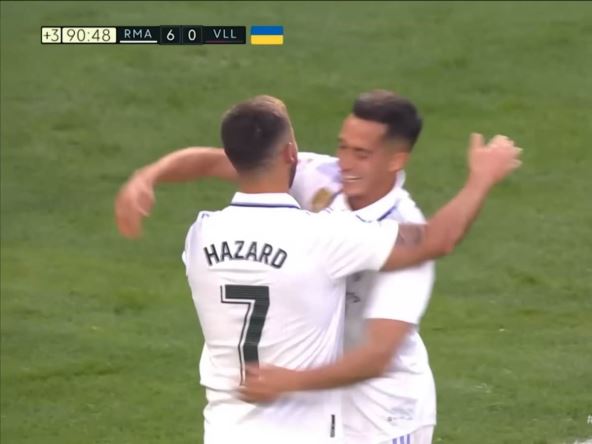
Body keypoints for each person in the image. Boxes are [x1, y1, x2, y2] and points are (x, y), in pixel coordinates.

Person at [116, 94, 521, 444]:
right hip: (316, 413)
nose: (345, 163)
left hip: (382, 416)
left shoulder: (202, 233)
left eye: (362, 153)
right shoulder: (318, 190)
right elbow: (214, 161)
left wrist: (288, 381)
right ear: (289, 154)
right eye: (343, 147)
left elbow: (378, 355)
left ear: (396, 160)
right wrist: (149, 175)